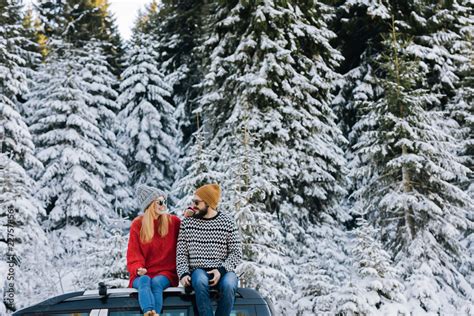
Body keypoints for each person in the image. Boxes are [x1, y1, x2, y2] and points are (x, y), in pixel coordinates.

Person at [176, 183, 242, 316]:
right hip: (198, 270)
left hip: (223, 270)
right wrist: (183, 274)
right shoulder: (188, 223)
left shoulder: (227, 223)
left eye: (196, 202)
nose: (193, 205)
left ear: (208, 203)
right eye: (192, 201)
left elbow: (236, 253)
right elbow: (181, 253)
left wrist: (221, 270)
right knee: (200, 280)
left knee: (229, 284)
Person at [127, 185, 181, 316]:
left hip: (166, 273)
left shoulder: (173, 222)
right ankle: (149, 312)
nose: (164, 205)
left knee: (156, 282)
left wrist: (191, 213)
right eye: (160, 202)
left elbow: (190, 231)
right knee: (145, 280)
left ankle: (154, 313)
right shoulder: (137, 225)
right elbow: (133, 253)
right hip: (141, 274)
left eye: (165, 202)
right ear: (150, 205)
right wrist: (138, 268)